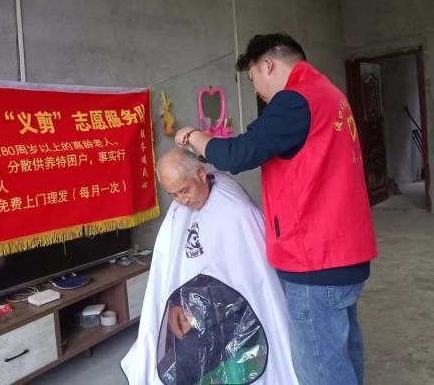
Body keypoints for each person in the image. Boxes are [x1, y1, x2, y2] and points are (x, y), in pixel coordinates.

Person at [175, 33, 377, 385]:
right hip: (345, 250)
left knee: (319, 368)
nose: (258, 91)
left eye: (253, 79)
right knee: (342, 353)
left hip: (316, 257)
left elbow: (238, 154)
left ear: (267, 64)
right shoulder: (329, 94)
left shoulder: (296, 99)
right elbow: (258, 139)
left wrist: (194, 136)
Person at [121, 149, 298, 385]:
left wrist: (200, 311)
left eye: (185, 190)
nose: (182, 200)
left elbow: (250, 281)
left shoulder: (236, 212)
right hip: (194, 308)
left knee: (201, 356)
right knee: (171, 360)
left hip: (235, 311)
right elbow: (171, 270)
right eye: (174, 195)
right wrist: (175, 304)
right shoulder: (178, 212)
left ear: (201, 173)